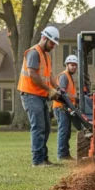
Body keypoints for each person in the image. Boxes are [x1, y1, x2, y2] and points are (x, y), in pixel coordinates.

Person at [17, 25, 61, 167]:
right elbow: (33, 75)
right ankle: (37, 161)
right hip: (30, 95)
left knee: (46, 128)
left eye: (54, 44)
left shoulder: (46, 55)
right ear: (44, 38)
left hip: (40, 96)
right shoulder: (34, 53)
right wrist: (50, 90)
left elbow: (50, 76)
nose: (53, 46)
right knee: (38, 127)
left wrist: (58, 88)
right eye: (51, 43)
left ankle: (44, 158)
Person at [54, 54, 81, 161]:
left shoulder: (70, 77)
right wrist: (68, 105)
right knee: (63, 130)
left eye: (75, 65)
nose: (74, 67)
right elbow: (62, 93)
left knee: (67, 131)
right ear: (67, 65)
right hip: (61, 107)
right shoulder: (64, 76)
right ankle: (62, 155)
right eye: (72, 65)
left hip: (67, 107)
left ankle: (65, 154)